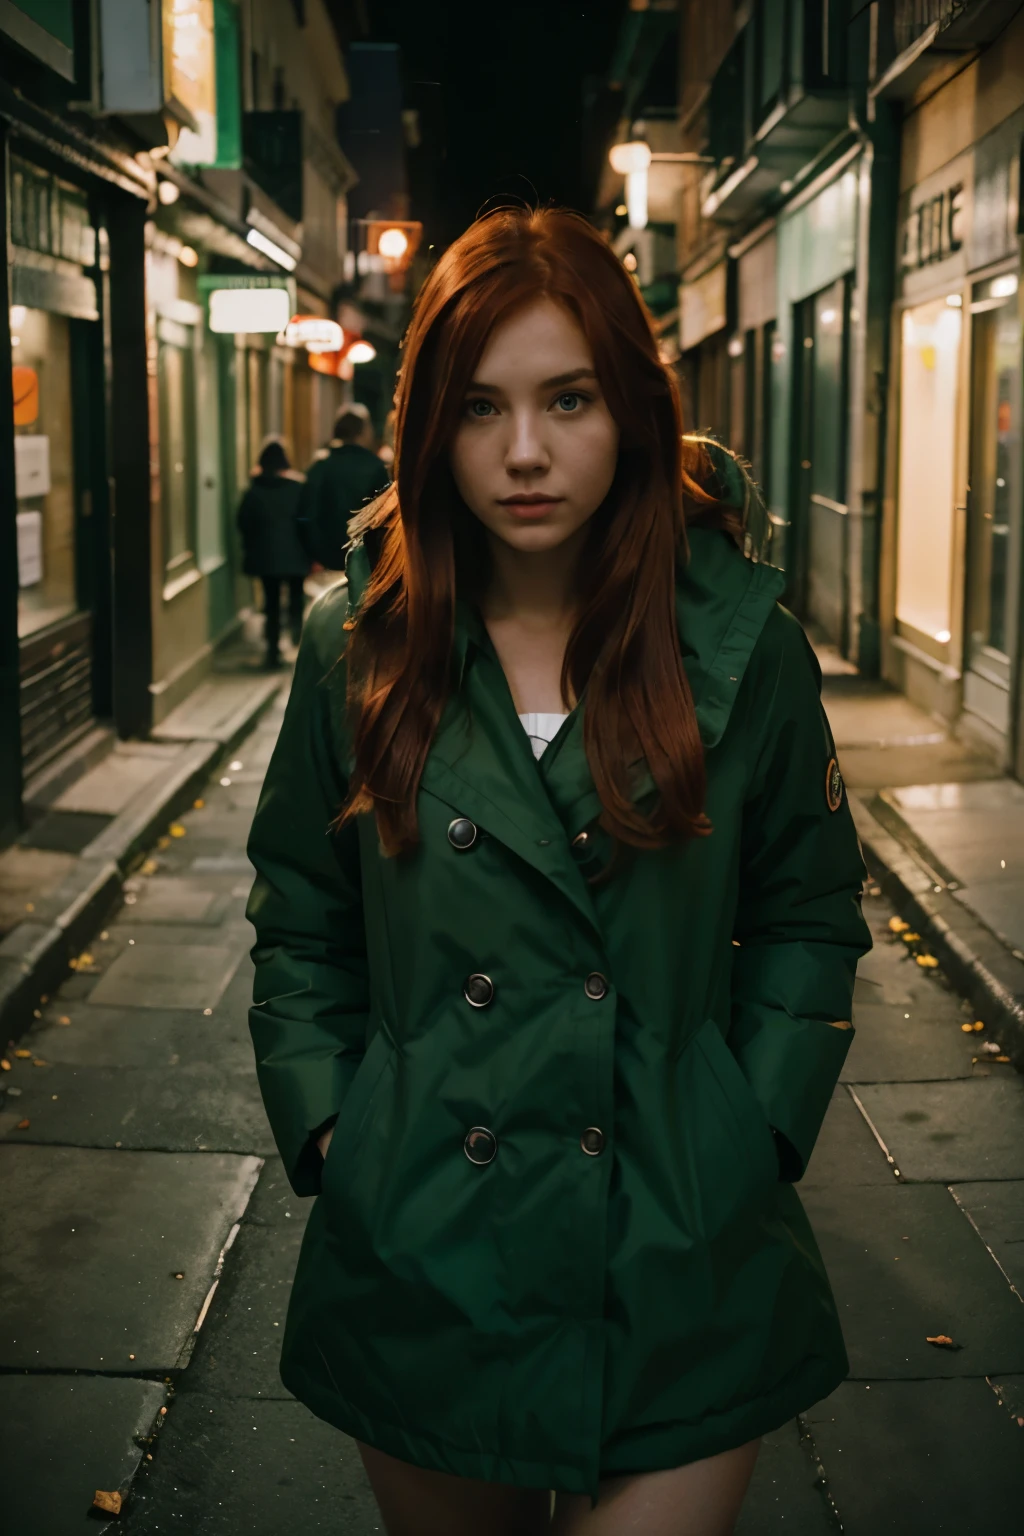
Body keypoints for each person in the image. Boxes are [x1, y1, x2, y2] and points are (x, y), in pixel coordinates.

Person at [245, 208, 871, 1536]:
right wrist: (336, 1129)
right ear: (428, 425)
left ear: (631, 408)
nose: (524, 452)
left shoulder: (736, 643)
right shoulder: (354, 645)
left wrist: (750, 1131)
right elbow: (303, 922)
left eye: (567, 399)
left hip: (679, 1243)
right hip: (428, 1241)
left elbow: (810, 912)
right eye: (480, 407)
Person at [236, 438, 309, 670]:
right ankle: (297, 636)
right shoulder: (297, 488)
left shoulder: (254, 491)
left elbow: (243, 522)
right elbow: (306, 520)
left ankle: (272, 651)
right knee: (296, 596)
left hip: (266, 556)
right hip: (296, 554)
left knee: (271, 603)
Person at [298, 402, 391, 571]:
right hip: (364, 560)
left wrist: (314, 553)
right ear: (362, 432)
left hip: (325, 560)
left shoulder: (320, 467)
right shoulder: (375, 467)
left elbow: (306, 515)